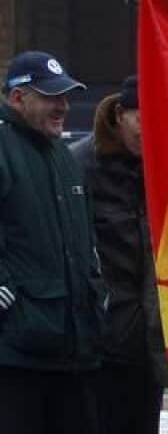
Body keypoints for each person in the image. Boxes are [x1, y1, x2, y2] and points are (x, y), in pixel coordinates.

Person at [0, 51, 106, 433]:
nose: (63, 105)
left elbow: (84, 239)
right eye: (50, 96)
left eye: (66, 95)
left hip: (74, 350)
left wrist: (97, 291)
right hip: (17, 358)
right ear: (17, 98)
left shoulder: (63, 155)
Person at [73, 77, 167, 434]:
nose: (150, 133)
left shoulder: (163, 164)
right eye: (144, 121)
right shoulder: (80, 164)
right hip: (102, 341)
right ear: (119, 114)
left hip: (150, 341)